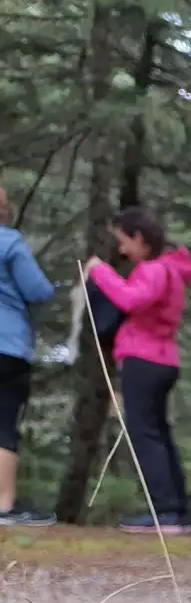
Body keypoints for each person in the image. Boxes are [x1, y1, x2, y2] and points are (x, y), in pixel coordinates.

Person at [86, 206, 191, 536]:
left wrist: (100, 272)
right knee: (158, 434)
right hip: (162, 360)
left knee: (145, 435)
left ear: (138, 238)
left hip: (144, 361)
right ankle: (176, 511)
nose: (122, 249)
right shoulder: (169, 270)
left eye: (123, 241)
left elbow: (132, 301)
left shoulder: (154, 270)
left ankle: (165, 512)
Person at [0, 182, 56, 527]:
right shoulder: (9, 242)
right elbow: (39, 291)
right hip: (7, 347)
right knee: (3, 423)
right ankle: (3, 505)